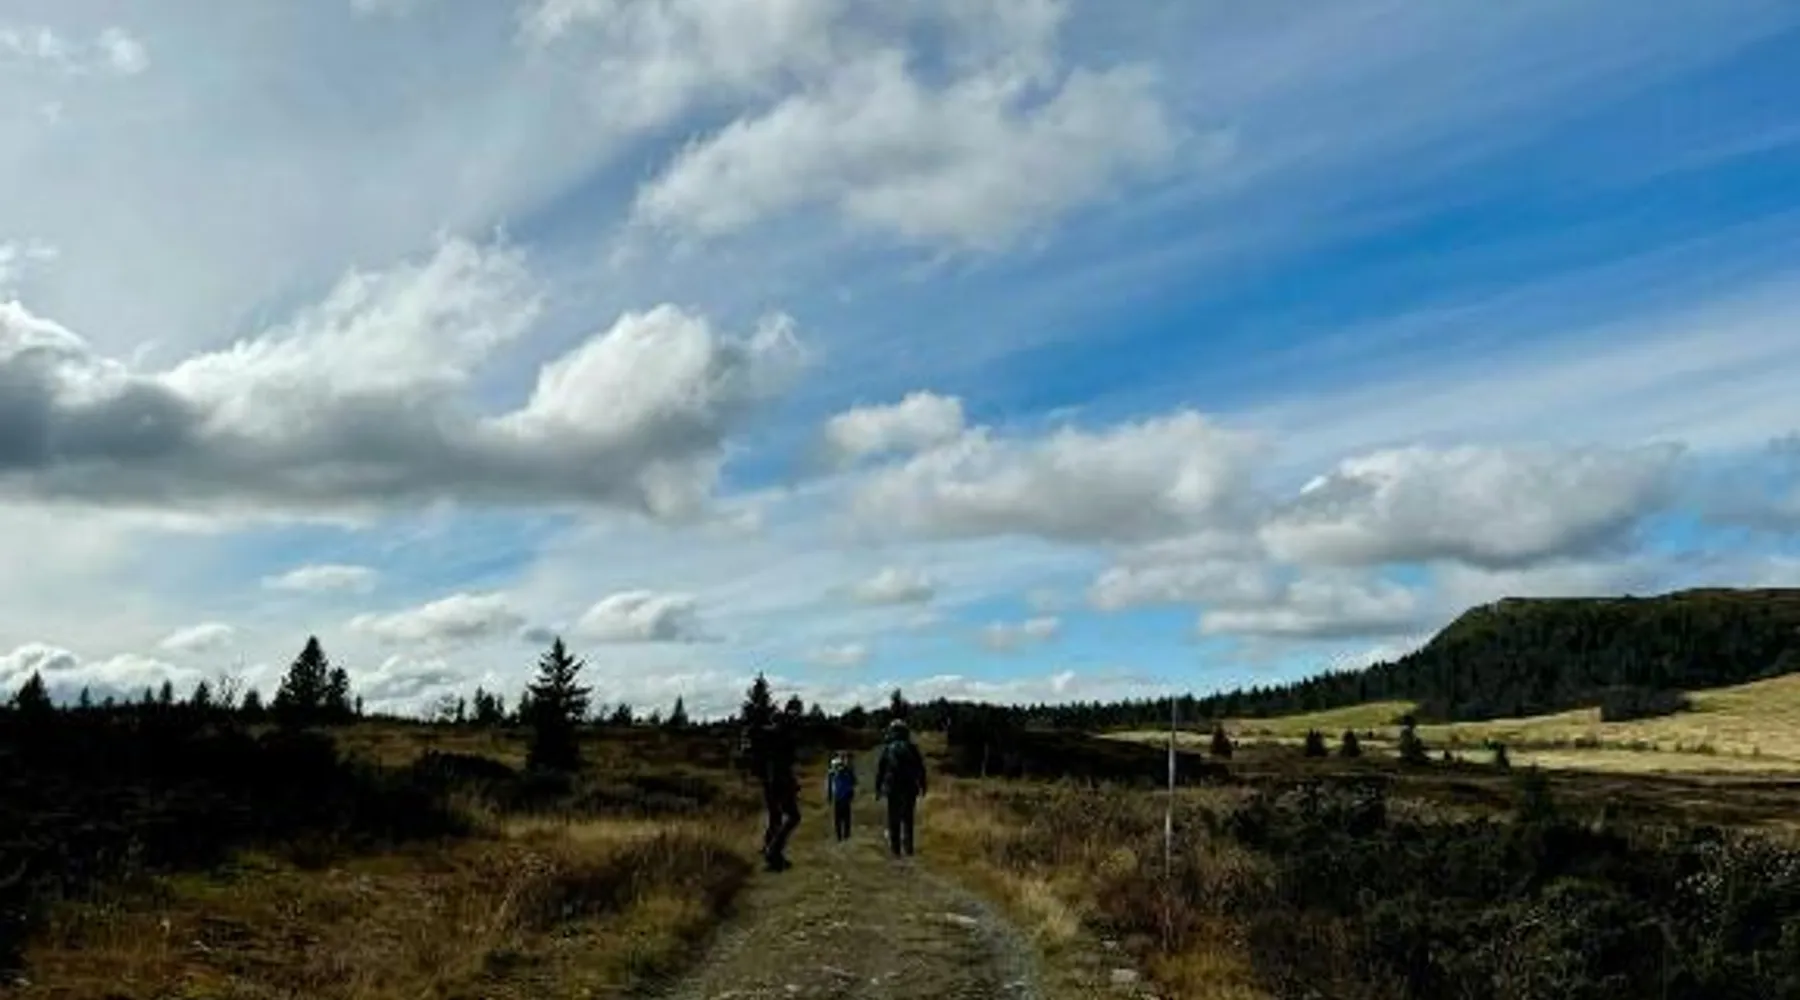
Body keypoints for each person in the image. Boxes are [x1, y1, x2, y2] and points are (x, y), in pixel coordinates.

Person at [752, 715, 801, 871]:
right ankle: (773, 852)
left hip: (769, 782)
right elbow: (784, 763)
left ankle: (770, 850)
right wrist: (790, 783)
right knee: (793, 816)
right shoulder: (783, 737)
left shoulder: (768, 737)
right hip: (779, 782)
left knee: (776, 817)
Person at [875, 719, 927, 857]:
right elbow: (920, 768)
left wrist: (878, 788)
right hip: (910, 787)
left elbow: (881, 770)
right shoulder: (912, 748)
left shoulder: (888, 748)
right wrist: (923, 785)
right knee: (908, 818)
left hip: (892, 787)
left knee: (894, 818)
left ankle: (895, 849)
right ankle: (908, 847)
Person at [825, 752, 858, 842]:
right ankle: (844, 836)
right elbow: (854, 782)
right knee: (844, 817)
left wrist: (829, 795)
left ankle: (841, 836)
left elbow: (830, 782)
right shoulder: (846, 769)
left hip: (840, 794)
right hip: (843, 794)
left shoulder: (836, 768)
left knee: (840, 818)